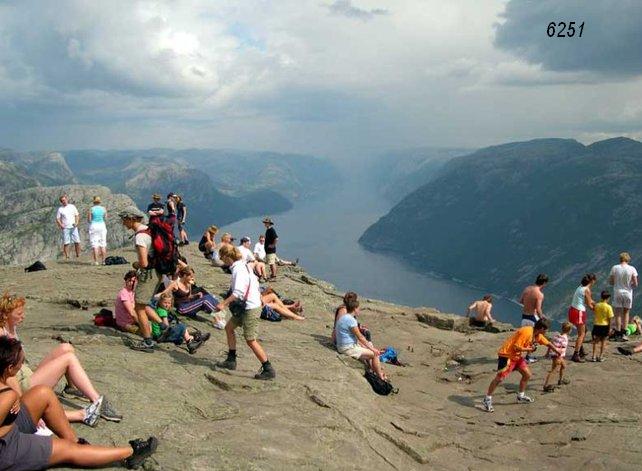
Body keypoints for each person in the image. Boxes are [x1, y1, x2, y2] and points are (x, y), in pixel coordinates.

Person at [0, 336, 157, 470]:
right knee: (67, 450)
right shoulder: (7, 396)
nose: (22, 365)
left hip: (10, 425)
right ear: (9, 368)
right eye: (21, 362)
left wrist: (14, 401)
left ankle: (75, 443)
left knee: (43, 392)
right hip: (6, 447)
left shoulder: (7, 388)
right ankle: (131, 453)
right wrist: (10, 401)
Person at [0, 292, 122, 425]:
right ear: (5, 315)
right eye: (19, 314)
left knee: (66, 348)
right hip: (22, 384)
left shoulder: (12, 327)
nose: (23, 316)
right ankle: (97, 401)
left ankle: (70, 388)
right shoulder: (1, 335)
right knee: (69, 359)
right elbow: (6, 374)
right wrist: (20, 400)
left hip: (26, 374)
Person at [215, 245, 276, 380]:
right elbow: (254, 281)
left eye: (222, 257)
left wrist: (223, 304)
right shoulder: (244, 265)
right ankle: (231, 360)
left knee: (250, 340)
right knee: (229, 328)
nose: (222, 260)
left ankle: (268, 368)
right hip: (247, 305)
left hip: (249, 308)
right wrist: (259, 296)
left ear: (227, 257)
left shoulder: (238, 270)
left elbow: (238, 292)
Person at [482, 318, 561, 412]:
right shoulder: (526, 332)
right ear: (542, 328)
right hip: (507, 356)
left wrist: (557, 351)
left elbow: (548, 343)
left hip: (517, 357)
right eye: (546, 329)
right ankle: (487, 399)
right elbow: (516, 347)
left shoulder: (537, 335)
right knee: (499, 378)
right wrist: (529, 349)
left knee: (527, 374)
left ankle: (521, 396)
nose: (547, 331)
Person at [118, 207, 159, 352]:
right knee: (144, 304)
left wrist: (135, 264)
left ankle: (148, 342)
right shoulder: (148, 230)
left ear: (131, 218)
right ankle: (164, 327)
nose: (123, 222)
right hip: (158, 272)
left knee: (139, 307)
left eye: (124, 219)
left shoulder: (140, 236)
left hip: (148, 274)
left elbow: (144, 263)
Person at [334, 292, 385, 380]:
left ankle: (375, 370)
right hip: (347, 348)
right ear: (354, 309)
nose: (359, 310)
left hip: (342, 346)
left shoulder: (343, 317)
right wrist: (373, 350)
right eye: (358, 308)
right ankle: (381, 377)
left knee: (369, 347)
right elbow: (360, 337)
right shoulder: (351, 320)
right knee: (375, 354)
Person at [156, 266, 223, 323]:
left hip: (188, 304)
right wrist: (156, 298)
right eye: (190, 276)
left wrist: (196, 295)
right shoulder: (175, 284)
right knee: (204, 300)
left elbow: (189, 296)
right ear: (185, 276)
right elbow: (165, 292)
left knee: (207, 296)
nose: (192, 278)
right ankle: (217, 320)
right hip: (182, 308)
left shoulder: (188, 284)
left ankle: (220, 315)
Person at [519, 274, 549, 363]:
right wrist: (542, 319)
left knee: (524, 337)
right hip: (532, 317)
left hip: (524, 317)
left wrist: (528, 304)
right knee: (535, 337)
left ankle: (517, 356)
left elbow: (521, 301)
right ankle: (528, 357)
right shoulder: (539, 294)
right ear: (544, 283)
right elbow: (538, 308)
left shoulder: (527, 289)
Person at [609, 252, 638, 341]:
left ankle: (618, 333)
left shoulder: (615, 268)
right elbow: (635, 283)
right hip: (628, 293)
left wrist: (617, 283)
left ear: (620, 259)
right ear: (628, 259)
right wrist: (629, 284)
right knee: (626, 313)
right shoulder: (632, 269)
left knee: (617, 313)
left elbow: (611, 282)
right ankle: (624, 333)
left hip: (617, 292)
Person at [568, 273, 597, 363]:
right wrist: (597, 311)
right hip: (579, 312)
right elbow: (589, 304)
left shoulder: (580, 287)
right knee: (582, 334)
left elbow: (589, 300)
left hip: (573, 310)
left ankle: (580, 349)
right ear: (592, 281)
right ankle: (576, 354)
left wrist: (596, 304)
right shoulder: (587, 290)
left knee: (584, 331)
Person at [542, 322, 572, 392]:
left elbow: (550, 344)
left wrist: (547, 353)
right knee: (553, 371)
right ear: (569, 330)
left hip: (555, 355)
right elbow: (561, 348)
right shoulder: (565, 338)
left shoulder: (556, 335)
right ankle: (546, 385)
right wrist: (559, 357)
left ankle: (560, 380)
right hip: (558, 356)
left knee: (563, 366)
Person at [55, 194, 80, 260]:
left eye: (65, 200)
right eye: (62, 200)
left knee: (77, 241)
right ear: (61, 202)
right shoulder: (60, 209)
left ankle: (78, 255)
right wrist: (61, 225)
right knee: (66, 242)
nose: (64, 201)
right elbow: (57, 218)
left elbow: (77, 215)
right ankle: (67, 257)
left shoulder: (72, 206)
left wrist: (76, 223)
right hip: (66, 228)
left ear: (67, 199)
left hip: (73, 226)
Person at [591, 290, 614, 362]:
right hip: (605, 325)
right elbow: (610, 319)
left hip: (597, 325)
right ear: (608, 298)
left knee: (595, 341)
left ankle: (593, 356)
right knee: (603, 341)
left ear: (601, 297)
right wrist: (609, 329)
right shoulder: (609, 307)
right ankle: (601, 356)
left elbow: (594, 310)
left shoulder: (597, 305)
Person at [87, 195, 107, 266]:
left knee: (95, 244)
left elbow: (89, 219)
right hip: (102, 225)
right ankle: (103, 261)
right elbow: (105, 218)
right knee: (103, 244)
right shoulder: (103, 209)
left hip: (94, 225)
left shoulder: (91, 209)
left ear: (94, 202)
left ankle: (96, 261)